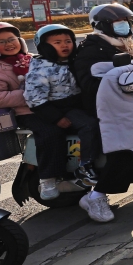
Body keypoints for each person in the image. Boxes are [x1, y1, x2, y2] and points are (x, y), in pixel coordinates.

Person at [24, 24, 106, 220]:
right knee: (89, 125)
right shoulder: (41, 67)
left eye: (68, 41)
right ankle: (85, 165)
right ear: (44, 46)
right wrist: (56, 118)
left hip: (76, 104)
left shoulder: (74, 61)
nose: (65, 45)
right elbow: (35, 98)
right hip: (55, 108)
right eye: (57, 42)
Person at [0, 23, 68, 201]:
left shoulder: (32, 59)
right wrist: (33, 93)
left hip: (50, 106)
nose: (9, 44)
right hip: (26, 112)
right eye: (1, 41)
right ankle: (48, 178)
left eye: (12, 39)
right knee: (51, 132)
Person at [72, 3, 133, 118]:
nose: (124, 24)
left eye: (125, 20)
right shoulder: (90, 49)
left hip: (132, 98)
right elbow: (89, 84)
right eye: (117, 21)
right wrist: (121, 78)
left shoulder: (129, 45)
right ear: (101, 25)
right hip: (107, 108)